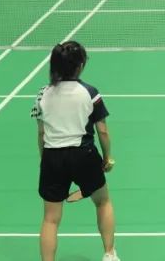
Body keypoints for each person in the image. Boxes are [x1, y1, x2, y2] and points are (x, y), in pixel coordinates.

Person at [31, 41, 119, 261]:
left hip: (52, 157)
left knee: (50, 219)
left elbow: (41, 134)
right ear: (80, 66)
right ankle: (109, 254)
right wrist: (107, 157)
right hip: (83, 155)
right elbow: (102, 131)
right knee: (103, 202)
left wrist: (45, 161)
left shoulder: (42, 94)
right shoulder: (90, 93)